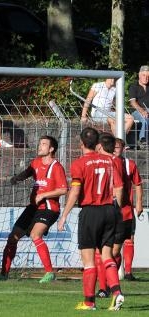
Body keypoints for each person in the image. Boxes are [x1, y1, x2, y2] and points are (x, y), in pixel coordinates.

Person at [58, 128, 124, 311]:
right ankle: (117, 293)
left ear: (81, 143)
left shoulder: (79, 163)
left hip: (90, 212)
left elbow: (76, 191)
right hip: (110, 210)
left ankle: (89, 302)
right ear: (97, 144)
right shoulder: (111, 161)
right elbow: (119, 188)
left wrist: (64, 215)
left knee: (89, 261)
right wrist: (116, 209)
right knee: (107, 255)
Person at [0, 136, 67, 283]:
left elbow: (63, 189)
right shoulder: (35, 162)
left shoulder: (56, 167)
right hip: (33, 208)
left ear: (51, 149)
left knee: (35, 235)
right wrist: (17, 178)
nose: (40, 146)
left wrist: (44, 195)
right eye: (40, 143)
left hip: (49, 208)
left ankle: (49, 272)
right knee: (13, 237)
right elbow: (28, 172)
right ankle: (3, 274)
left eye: (43, 144)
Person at [96, 138, 143, 297]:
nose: (116, 149)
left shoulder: (128, 164)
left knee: (114, 251)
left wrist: (138, 203)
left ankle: (120, 276)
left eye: (119, 147)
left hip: (124, 212)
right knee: (102, 251)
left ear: (123, 148)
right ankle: (103, 288)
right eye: (114, 147)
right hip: (104, 211)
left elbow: (136, 184)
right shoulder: (100, 163)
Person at [129, 65, 149, 149]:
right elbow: (132, 102)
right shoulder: (133, 86)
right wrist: (142, 111)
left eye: (148, 76)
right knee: (144, 117)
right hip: (137, 111)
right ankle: (143, 140)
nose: (146, 78)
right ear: (139, 75)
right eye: (144, 75)